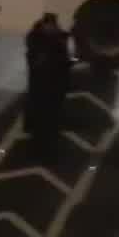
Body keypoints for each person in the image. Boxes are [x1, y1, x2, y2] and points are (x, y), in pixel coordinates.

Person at [23, 13, 73, 151]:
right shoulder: (41, 43)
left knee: (49, 115)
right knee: (45, 116)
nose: (54, 28)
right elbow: (50, 63)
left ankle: (44, 142)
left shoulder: (40, 39)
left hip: (50, 87)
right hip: (45, 86)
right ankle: (41, 145)